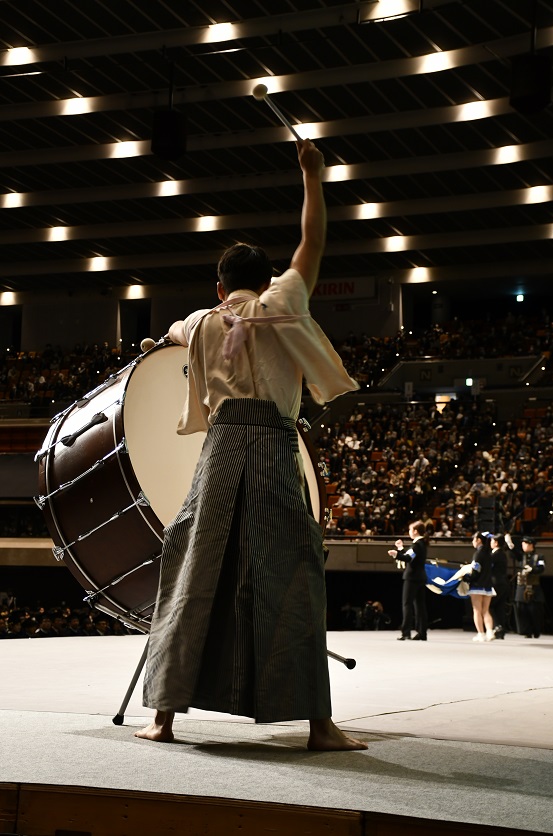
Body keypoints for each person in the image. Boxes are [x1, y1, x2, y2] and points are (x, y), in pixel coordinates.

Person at [136, 139, 367, 752]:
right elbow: (312, 242)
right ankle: (319, 726)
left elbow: (172, 332)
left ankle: (163, 717)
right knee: (291, 570)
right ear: (267, 280)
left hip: (219, 452)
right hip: (271, 446)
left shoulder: (199, 322)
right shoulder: (281, 303)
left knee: (194, 565)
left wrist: (176, 337)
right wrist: (312, 176)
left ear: (220, 288)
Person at [388, 520, 428, 641]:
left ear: (415, 531)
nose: (409, 532)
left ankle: (406, 632)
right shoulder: (422, 543)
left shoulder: (416, 545)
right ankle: (422, 633)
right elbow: (409, 556)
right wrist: (400, 548)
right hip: (421, 577)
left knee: (407, 604)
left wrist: (396, 554)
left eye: (410, 530)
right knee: (420, 606)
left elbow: (407, 558)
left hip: (412, 578)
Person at [505, 533, 546, 638]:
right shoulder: (521, 556)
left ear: (531, 545)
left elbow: (541, 568)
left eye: (525, 544)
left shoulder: (539, 557)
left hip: (533, 586)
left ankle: (536, 630)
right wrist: (509, 544)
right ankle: (525, 631)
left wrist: (532, 569)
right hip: (522, 585)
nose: (523, 546)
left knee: (534, 610)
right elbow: (514, 553)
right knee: (521, 609)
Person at [467, 531, 496, 642]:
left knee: (477, 610)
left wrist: (468, 578)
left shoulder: (478, 554)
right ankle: (489, 631)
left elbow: (476, 570)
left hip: (477, 586)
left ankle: (481, 633)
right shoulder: (489, 554)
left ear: (478, 540)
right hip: (488, 585)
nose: (472, 542)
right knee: (486, 610)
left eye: (473, 539)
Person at [489, 534, 510, 639]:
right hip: (503, 583)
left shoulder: (496, 554)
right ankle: (501, 632)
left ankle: (497, 626)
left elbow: (487, 565)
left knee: (488, 606)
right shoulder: (503, 554)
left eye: (492, 541)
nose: (490, 543)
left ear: (496, 543)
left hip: (496, 583)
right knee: (499, 607)